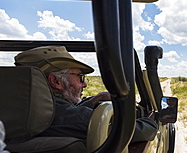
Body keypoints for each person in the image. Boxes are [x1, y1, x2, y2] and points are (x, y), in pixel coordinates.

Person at [14, 46, 158, 143]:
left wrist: (97, 99)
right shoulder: (71, 117)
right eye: (79, 78)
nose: (84, 85)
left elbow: (71, 112)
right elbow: (142, 132)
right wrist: (152, 120)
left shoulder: (17, 110)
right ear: (56, 81)